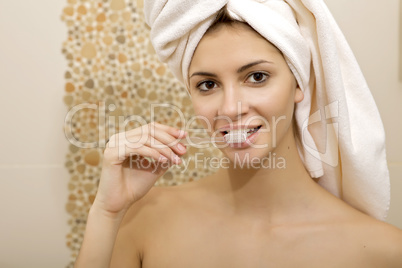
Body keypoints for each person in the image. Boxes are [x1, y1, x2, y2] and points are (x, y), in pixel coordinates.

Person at [74, 1, 402, 267]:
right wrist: (107, 212)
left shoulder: (383, 252)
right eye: (208, 85)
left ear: (299, 82)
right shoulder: (145, 220)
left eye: (257, 77)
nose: (230, 108)